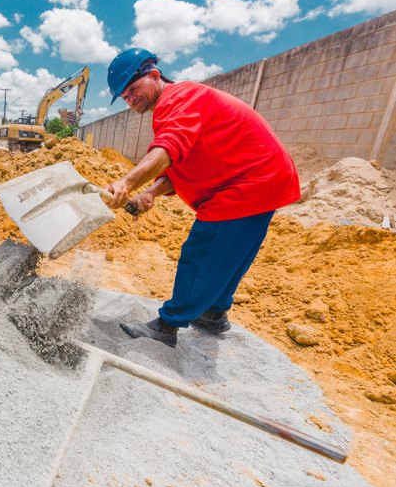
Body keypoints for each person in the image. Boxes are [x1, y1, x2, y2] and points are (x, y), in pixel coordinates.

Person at [103, 48, 300, 348]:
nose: (131, 99)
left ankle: (167, 325)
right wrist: (151, 193)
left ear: (154, 75)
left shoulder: (178, 100)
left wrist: (126, 183)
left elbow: (168, 148)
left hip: (246, 182)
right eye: (125, 97)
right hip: (262, 178)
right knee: (229, 253)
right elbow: (179, 161)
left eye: (133, 89)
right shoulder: (180, 103)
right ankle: (213, 313)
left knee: (202, 253)